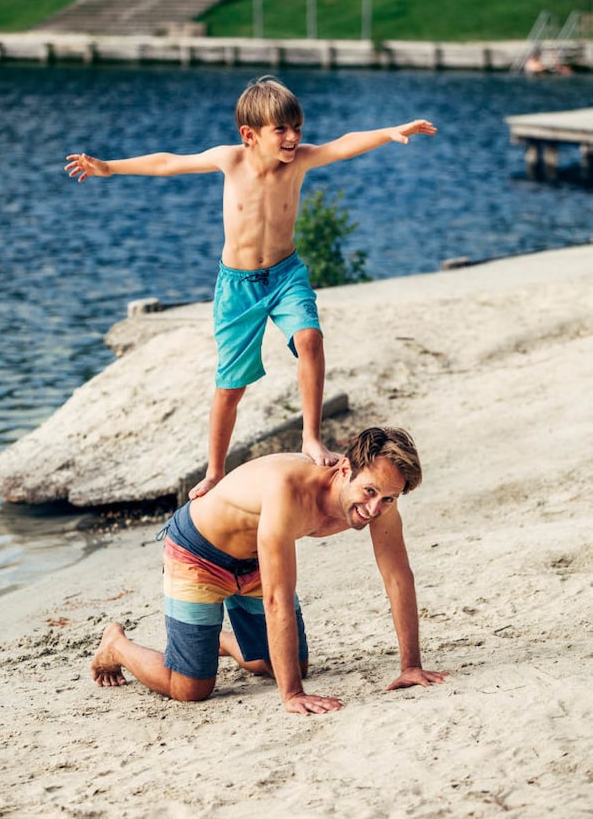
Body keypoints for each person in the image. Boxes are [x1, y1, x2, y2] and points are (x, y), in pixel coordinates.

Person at [65, 76, 437, 500]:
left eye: (297, 127)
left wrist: (390, 132)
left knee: (310, 338)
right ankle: (214, 471)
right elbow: (169, 162)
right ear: (250, 135)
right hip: (237, 288)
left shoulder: (299, 161)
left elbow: (345, 142)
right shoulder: (230, 160)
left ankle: (311, 437)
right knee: (230, 389)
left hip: (285, 275)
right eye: (281, 130)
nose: (294, 137)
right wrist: (109, 167)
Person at [90, 426, 449, 716]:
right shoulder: (290, 491)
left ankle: (217, 641)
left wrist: (411, 666)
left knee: (286, 662)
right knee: (190, 688)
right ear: (344, 470)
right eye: (369, 491)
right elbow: (278, 598)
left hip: (257, 560)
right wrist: (292, 694)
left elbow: (398, 577)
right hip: (197, 555)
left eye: (388, 498)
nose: (374, 508)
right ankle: (117, 645)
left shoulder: (381, 499)